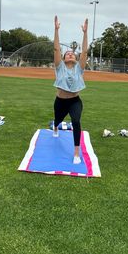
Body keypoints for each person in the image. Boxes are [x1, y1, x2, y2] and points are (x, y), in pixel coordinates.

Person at [52, 15, 88, 164]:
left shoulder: (80, 68)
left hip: (75, 101)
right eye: (67, 54)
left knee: (76, 121)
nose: (70, 54)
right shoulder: (59, 67)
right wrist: (56, 30)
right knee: (58, 120)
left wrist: (85, 33)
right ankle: (55, 127)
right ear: (64, 58)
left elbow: (84, 52)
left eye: (72, 53)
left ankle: (76, 152)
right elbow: (56, 48)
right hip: (60, 101)